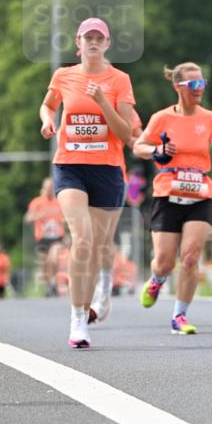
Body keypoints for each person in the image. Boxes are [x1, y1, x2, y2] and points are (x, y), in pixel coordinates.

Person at [39, 17, 135, 348]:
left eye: (99, 38)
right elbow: (48, 104)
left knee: (96, 247)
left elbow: (125, 133)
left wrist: (103, 102)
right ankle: (78, 320)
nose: (93, 42)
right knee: (81, 240)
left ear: (107, 44)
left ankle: (93, 299)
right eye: (87, 37)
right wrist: (47, 120)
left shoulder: (119, 80)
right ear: (77, 43)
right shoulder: (63, 75)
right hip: (70, 167)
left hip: (107, 170)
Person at [133, 62, 212, 334]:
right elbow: (138, 147)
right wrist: (158, 148)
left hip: (200, 193)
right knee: (165, 260)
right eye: (194, 85)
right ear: (178, 87)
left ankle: (180, 315)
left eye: (203, 84)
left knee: (190, 258)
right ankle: (156, 279)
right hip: (167, 192)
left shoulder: (210, 118)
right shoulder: (162, 118)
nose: (200, 89)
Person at [88, 106, 143, 324]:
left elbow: (136, 138)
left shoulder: (121, 102)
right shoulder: (72, 92)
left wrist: (149, 147)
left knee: (102, 239)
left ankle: (102, 295)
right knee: (84, 238)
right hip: (76, 177)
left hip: (110, 177)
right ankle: (83, 297)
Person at [24, 177, 65, 296]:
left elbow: (64, 217)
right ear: (43, 189)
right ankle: (49, 286)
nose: (50, 190)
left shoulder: (59, 202)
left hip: (57, 236)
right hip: (42, 237)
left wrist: (65, 221)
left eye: (52, 188)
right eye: (48, 188)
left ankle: (54, 282)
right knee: (45, 263)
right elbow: (27, 218)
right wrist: (38, 216)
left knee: (54, 257)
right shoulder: (37, 202)